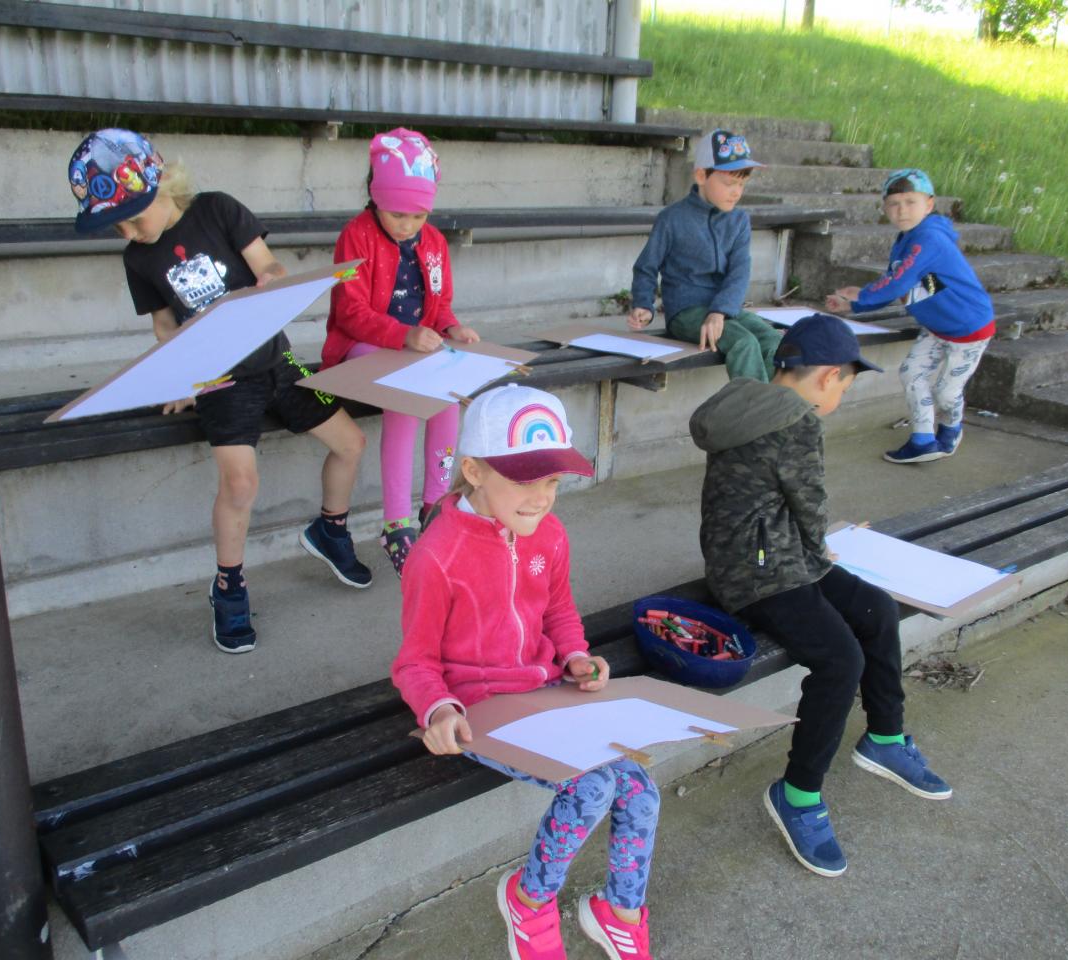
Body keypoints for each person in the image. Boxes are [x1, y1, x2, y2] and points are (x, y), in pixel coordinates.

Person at [67, 128, 371, 655]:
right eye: (117, 226)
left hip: (278, 361)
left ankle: (330, 529)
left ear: (163, 186)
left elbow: (268, 266)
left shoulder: (218, 210)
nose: (129, 232)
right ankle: (229, 585)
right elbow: (164, 326)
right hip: (220, 380)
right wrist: (183, 375)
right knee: (240, 484)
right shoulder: (137, 258)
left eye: (134, 218)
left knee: (351, 443)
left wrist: (272, 280)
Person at [392, 385, 659, 960]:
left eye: (553, 481)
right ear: (473, 471)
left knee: (639, 787)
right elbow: (415, 661)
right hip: (480, 710)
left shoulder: (550, 534)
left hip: (544, 690)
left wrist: (576, 657)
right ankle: (529, 900)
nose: (541, 497)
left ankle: (619, 911)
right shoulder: (436, 557)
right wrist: (439, 709)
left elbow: (558, 610)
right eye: (524, 479)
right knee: (592, 786)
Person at [690, 315, 952, 878]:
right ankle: (799, 794)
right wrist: (821, 548)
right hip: (760, 575)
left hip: (760, 554)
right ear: (830, 376)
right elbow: (809, 502)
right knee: (840, 660)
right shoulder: (796, 421)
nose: (841, 397)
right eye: (846, 387)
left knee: (877, 610)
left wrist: (812, 553)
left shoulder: (748, 399)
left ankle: (885, 737)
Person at [324, 128, 480, 577]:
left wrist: (450, 326)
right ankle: (396, 523)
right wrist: (405, 335)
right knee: (406, 395)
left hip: (413, 347)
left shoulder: (434, 242)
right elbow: (349, 311)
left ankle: (435, 504)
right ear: (375, 196)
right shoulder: (356, 236)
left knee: (446, 394)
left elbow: (440, 301)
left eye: (419, 215)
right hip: (361, 344)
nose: (408, 225)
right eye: (397, 214)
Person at [825, 168, 995, 464]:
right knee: (911, 373)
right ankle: (923, 440)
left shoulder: (929, 238)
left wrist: (861, 299)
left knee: (946, 392)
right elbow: (913, 282)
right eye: (894, 203)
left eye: (910, 202)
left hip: (968, 329)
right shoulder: (908, 238)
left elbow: (898, 283)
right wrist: (858, 300)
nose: (901, 210)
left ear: (929, 204)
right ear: (884, 207)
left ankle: (951, 429)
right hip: (937, 326)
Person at [627, 128, 782, 383]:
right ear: (701, 175)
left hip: (725, 311)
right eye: (729, 183)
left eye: (741, 184)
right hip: (686, 313)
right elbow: (646, 266)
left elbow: (739, 272)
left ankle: (774, 402)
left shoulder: (739, 221)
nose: (736, 192)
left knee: (773, 339)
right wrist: (644, 304)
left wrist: (720, 311)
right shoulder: (672, 219)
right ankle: (756, 406)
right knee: (743, 342)